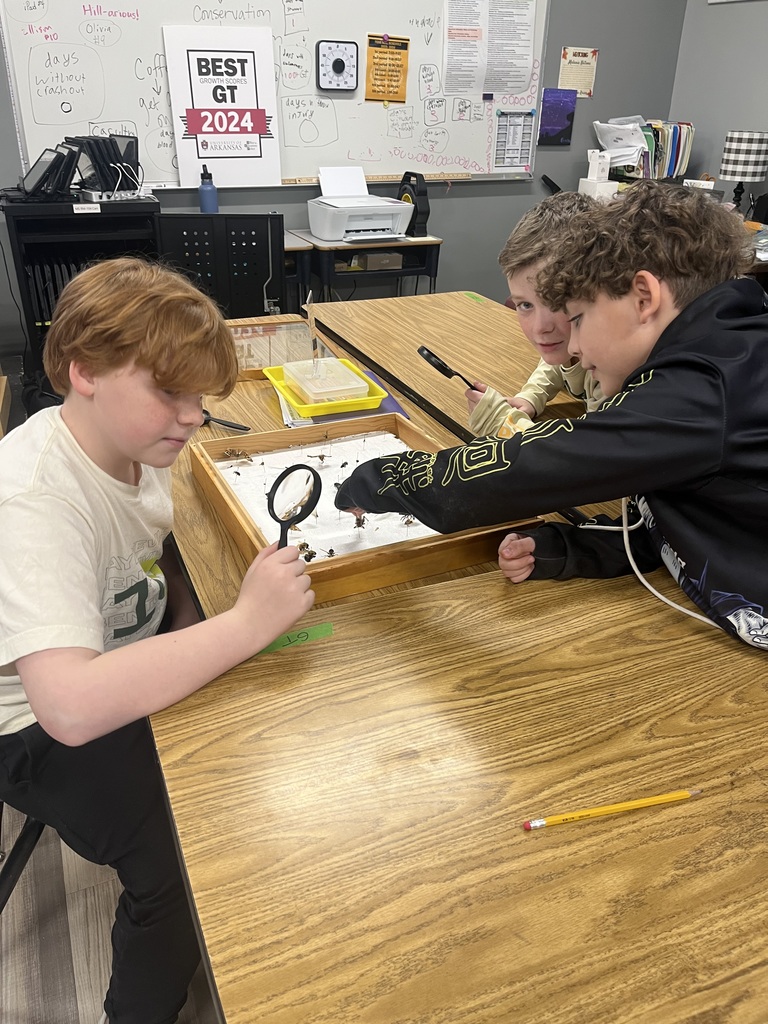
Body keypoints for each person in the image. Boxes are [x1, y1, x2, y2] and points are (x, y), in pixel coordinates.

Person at [0, 257, 315, 1024]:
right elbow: (69, 707)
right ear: (85, 371)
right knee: (182, 863)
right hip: (31, 725)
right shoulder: (32, 499)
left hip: (115, 658)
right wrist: (243, 625)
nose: (193, 417)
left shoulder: (131, 445)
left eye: (199, 397)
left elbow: (149, 548)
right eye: (169, 392)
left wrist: (187, 618)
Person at [334, 181, 768, 650]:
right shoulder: (711, 363)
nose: (573, 345)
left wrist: (383, 479)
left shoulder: (708, 386)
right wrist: (570, 548)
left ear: (644, 298)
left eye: (577, 318)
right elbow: (681, 514)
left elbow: (533, 467)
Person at [466, 190, 605, 439]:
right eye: (525, 305)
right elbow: (555, 363)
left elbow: (588, 451)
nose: (541, 327)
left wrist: (505, 425)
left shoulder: (611, 366)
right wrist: (532, 396)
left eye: (556, 302)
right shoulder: (567, 342)